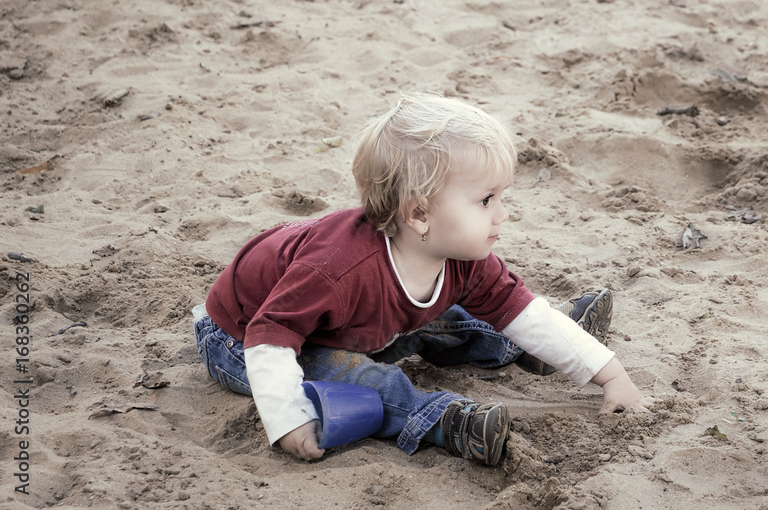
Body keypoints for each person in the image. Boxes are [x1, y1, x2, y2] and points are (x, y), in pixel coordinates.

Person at [193, 93, 652, 466]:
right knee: (358, 376)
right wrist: (288, 417)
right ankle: (443, 420)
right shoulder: (335, 268)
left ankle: (526, 348)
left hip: (358, 324)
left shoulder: (461, 257)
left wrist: (610, 375)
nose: (503, 214)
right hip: (245, 338)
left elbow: (521, 310)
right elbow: (272, 335)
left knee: (451, 319)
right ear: (418, 213)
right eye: (486, 199)